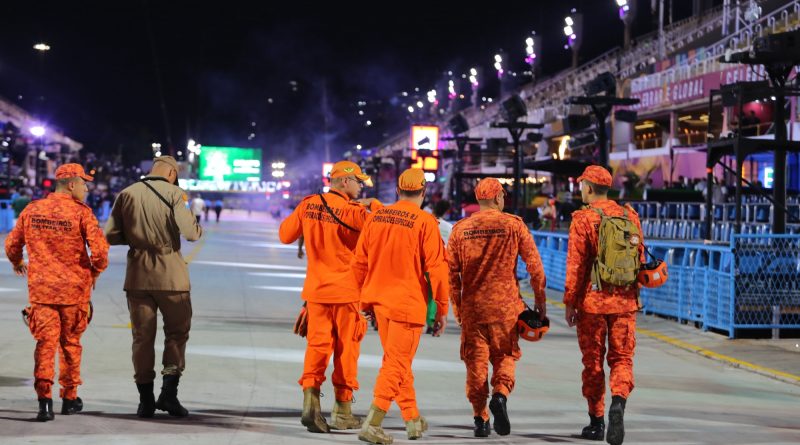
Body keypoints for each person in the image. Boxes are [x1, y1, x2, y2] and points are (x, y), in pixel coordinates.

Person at [278, 160, 382, 433]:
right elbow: (382, 231)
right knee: (347, 350)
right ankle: (343, 411)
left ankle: (310, 403)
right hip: (347, 293)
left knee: (317, 347)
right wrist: (375, 206)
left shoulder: (309, 203)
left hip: (316, 293)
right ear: (344, 181)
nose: (361, 186)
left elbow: (284, 235)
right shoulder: (353, 212)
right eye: (358, 181)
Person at [351, 168, 450, 444]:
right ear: (424, 192)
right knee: (396, 363)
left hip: (379, 303)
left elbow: (359, 260)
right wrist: (442, 307)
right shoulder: (426, 222)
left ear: (397, 191)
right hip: (407, 304)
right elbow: (438, 271)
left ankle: (412, 418)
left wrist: (358, 297)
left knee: (398, 362)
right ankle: (372, 423)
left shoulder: (377, 217)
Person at [5, 164, 109, 421]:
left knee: (44, 344)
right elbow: (101, 253)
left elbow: (12, 244)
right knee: (71, 344)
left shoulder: (32, 209)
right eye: (84, 183)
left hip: (42, 291)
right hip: (74, 292)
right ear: (72, 185)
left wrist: (18, 262)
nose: (86, 188)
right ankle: (70, 398)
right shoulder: (81, 213)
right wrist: (94, 273)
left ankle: (44, 402)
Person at [447, 178, 547, 438]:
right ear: (499, 198)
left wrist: (458, 310)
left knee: (476, 364)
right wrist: (540, 302)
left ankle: (480, 418)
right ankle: (500, 394)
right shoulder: (514, 226)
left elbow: (450, 275)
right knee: (505, 356)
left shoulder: (460, 230)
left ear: (478, 200)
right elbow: (535, 268)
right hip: (505, 308)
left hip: (473, 309)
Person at [104, 155, 202, 419]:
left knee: (142, 338)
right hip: (171, 276)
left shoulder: (127, 193)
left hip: (138, 275)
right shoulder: (175, 194)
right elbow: (191, 234)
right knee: (177, 334)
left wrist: (138, 239)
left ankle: (145, 402)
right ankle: (169, 395)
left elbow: (110, 235)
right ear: (171, 173)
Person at [563, 165, 645, 445]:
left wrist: (570, 302)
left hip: (592, 302)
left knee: (593, 363)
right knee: (622, 358)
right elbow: (640, 254)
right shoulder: (629, 215)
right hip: (625, 301)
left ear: (588, 187)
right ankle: (618, 403)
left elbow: (576, 265)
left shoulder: (583, 219)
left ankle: (596, 422)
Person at [425, 200, 452, 332]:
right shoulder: (448, 227)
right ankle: (434, 320)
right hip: (441, 264)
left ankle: (428, 319)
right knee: (438, 294)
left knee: (427, 294)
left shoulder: (426, 222)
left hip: (425, 262)